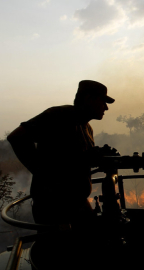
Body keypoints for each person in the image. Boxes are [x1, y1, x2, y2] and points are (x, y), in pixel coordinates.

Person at [7, 80, 114, 230]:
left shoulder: (87, 128)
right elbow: (16, 137)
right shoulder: (59, 115)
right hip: (54, 207)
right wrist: (41, 171)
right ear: (90, 99)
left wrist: (96, 157)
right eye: (103, 102)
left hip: (78, 202)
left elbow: (75, 159)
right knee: (60, 250)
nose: (106, 108)